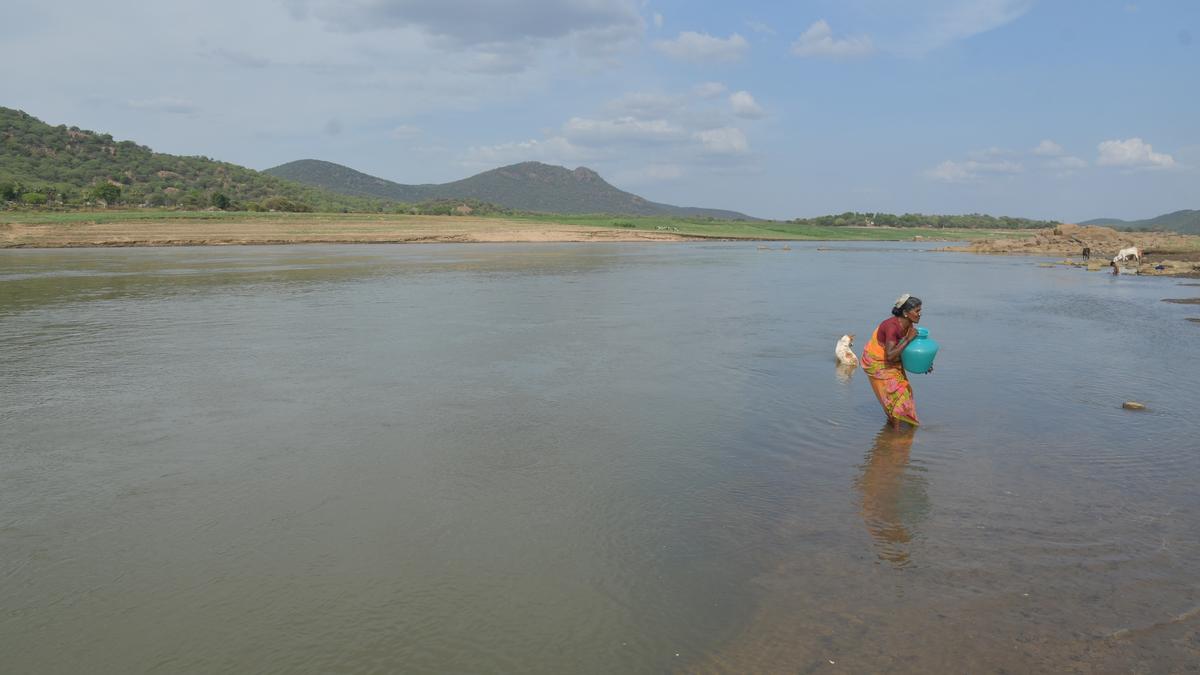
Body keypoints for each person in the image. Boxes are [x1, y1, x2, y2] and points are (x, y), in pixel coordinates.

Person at [860, 294, 924, 427]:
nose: (920, 314)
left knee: (903, 394)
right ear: (906, 313)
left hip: (892, 360)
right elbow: (890, 355)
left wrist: (924, 364)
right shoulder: (892, 327)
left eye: (920, 310)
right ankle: (894, 437)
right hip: (876, 362)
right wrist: (908, 339)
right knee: (898, 395)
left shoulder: (909, 326)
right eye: (917, 311)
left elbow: (906, 352)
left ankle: (895, 432)